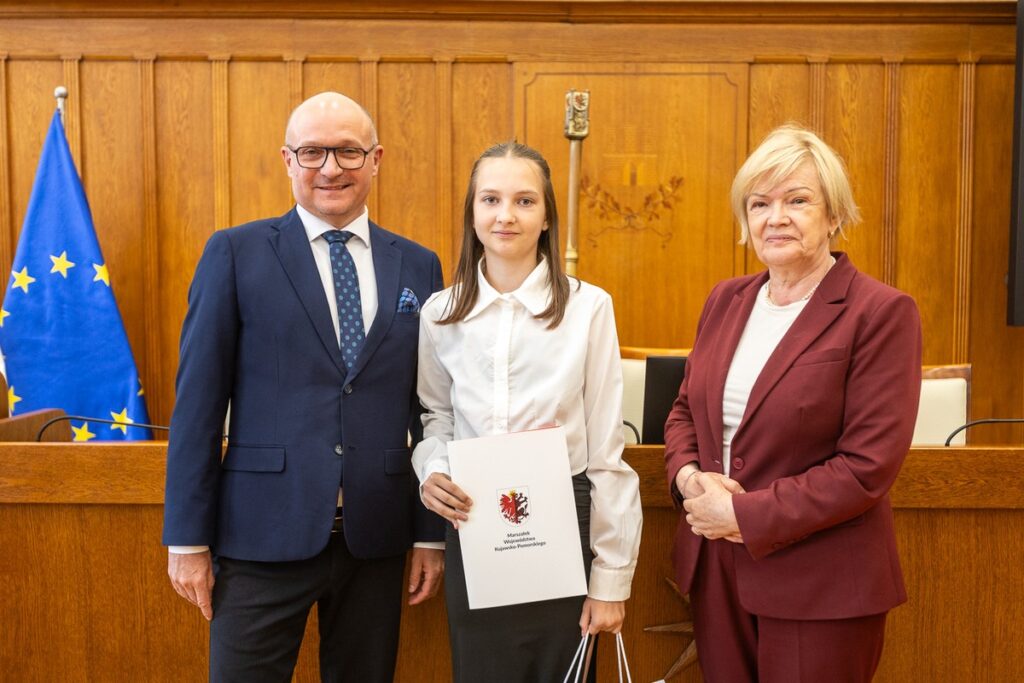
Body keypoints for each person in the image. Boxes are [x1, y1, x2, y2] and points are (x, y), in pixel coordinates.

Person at [162, 91, 445, 683]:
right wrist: (187, 539)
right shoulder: (235, 253)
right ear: (288, 160)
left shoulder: (419, 266)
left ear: (376, 159)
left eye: (347, 151)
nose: (331, 168)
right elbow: (198, 407)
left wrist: (430, 536)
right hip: (260, 535)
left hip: (376, 537)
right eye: (313, 152)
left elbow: (431, 408)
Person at [664, 124, 922, 683]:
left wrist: (741, 514)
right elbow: (685, 411)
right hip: (718, 569)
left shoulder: (879, 313)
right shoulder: (725, 299)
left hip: (820, 583)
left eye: (797, 200)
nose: (775, 217)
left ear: (834, 216)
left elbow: (866, 467)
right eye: (760, 203)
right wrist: (689, 480)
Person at [411, 141, 643, 681]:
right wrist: (433, 469)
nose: (505, 215)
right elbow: (435, 416)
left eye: (524, 201)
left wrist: (610, 579)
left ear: (546, 217)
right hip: (475, 521)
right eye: (490, 199)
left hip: (565, 518)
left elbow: (608, 449)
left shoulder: (589, 307)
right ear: (472, 214)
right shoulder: (440, 313)